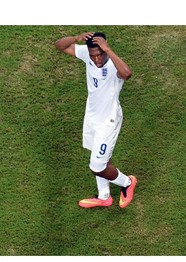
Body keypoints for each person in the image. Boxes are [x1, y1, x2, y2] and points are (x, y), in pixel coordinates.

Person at [55, 32, 137, 209]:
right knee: (99, 158)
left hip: (108, 121)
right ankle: (104, 196)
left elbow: (127, 73)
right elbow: (60, 45)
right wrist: (76, 38)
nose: (97, 59)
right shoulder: (88, 55)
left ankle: (127, 182)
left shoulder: (115, 66)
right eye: (94, 55)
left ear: (105, 49)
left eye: (100, 54)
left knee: (97, 166)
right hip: (92, 117)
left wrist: (108, 49)